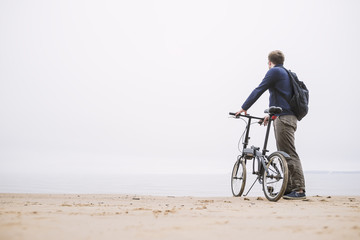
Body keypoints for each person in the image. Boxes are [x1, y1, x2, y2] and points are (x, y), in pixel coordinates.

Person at [235, 50, 306, 200]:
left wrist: (244, 107)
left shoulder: (274, 72)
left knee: (289, 152)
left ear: (269, 62)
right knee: (284, 153)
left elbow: (259, 89)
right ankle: (289, 188)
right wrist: (270, 115)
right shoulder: (285, 73)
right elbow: (282, 98)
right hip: (286, 116)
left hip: (284, 118)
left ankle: (299, 189)